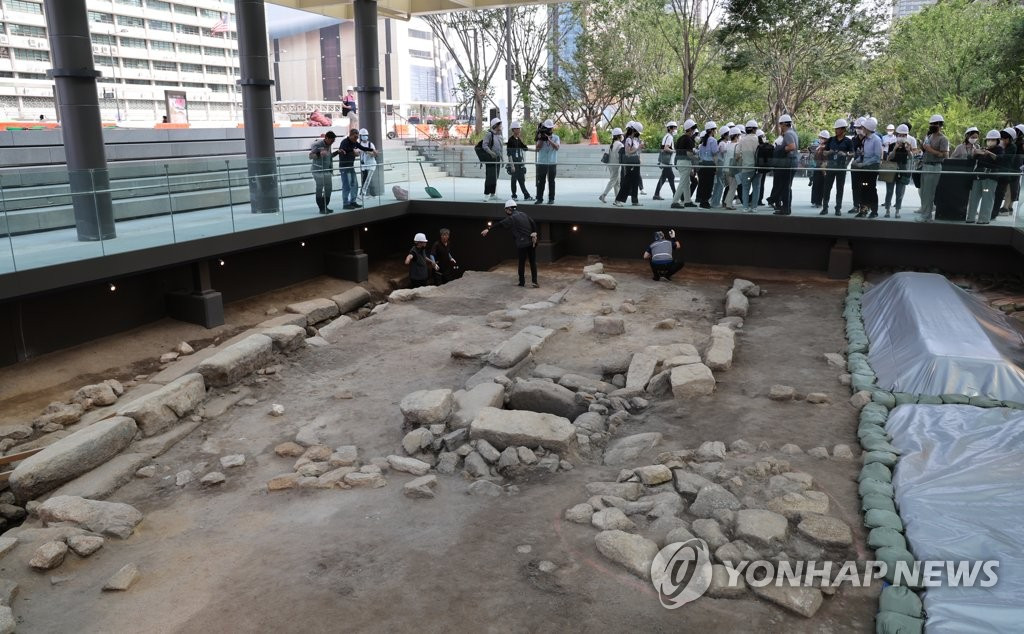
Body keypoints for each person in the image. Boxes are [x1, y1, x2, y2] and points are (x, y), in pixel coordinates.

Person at [481, 199, 539, 287]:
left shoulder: (512, 218)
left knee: (521, 263)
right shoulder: (523, 214)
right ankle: (535, 282)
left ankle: (522, 282)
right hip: (531, 242)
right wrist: (534, 233)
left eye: (505, 210)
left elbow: (500, 224)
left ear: (509, 209)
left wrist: (488, 229)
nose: (505, 212)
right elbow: (533, 223)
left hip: (522, 243)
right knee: (532, 262)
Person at [966, 130, 1003, 225]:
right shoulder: (983, 148)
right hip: (978, 176)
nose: (990, 141)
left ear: (997, 140)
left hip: (989, 178)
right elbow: (972, 159)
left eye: (993, 140)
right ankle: (970, 217)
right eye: (988, 139)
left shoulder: (999, 150)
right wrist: (975, 153)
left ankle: (984, 218)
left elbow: (1000, 159)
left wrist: (989, 153)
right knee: (974, 197)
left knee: (987, 197)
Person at [916, 114, 948, 222]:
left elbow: (944, 155)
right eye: (931, 124)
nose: (932, 125)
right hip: (925, 165)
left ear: (940, 125)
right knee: (924, 192)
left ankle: (927, 217)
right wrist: (923, 146)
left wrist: (930, 150)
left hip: (934, 166)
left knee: (929, 193)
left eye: (935, 124)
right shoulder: (929, 136)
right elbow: (925, 150)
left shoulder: (943, 139)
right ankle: (924, 214)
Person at [821, 119, 854, 216]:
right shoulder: (831, 140)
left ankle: (838, 208)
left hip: (841, 167)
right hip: (831, 167)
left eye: (838, 129)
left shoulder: (848, 141)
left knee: (840, 189)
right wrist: (829, 152)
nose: (836, 130)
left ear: (843, 129)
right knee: (827, 188)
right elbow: (824, 152)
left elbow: (852, 153)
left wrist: (845, 155)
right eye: (835, 129)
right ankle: (825, 208)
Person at [884, 124, 916, 218]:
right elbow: (889, 158)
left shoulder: (908, 145)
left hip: (902, 168)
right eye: (900, 135)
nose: (902, 137)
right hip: (892, 168)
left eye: (904, 135)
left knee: (899, 191)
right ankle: (887, 210)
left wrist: (908, 150)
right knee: (889, 191)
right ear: (896, 135)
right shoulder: (892, 144)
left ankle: (897, 210)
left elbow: (911, 157)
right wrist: (894, 149)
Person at [854, 117, 882, 218]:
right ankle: (863, 210)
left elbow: (877, 157)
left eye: (863, 127)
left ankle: (874, 211)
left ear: (868, 128)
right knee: (864, 187)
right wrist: (857, 160)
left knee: (871, 188)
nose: (862, 129)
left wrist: (864, 164)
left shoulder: (876, 140)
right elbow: (863, 154)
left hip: (872, 169)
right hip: (865, 169)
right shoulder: (865, 140)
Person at [336, 128, 369, 209]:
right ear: (350, 135)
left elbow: (362, 148)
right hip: (344, 167)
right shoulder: (344, 142)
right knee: (346, 185)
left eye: (357, 137)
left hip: (351, 166)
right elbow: (344, 151)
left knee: (354, 184)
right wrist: (353, 152)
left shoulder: (355, 142)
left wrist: (372, 150)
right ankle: (345, 203)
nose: (356, 139)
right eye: (355, 137)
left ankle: (353, 201)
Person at [614, 121, 644, 207]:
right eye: (638, 132)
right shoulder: (628, 139)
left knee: (635, 182)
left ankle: (635, 200)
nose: (639, 134)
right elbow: (628, 152)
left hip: (635, 162)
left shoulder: (635, 140)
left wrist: (639, 150)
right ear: (634, 131)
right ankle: (618, 200)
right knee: (627, 182)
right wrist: (638, 148)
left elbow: (636, 151)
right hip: (630, 163)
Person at [671, 119, 699, 208]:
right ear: (690, 129)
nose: (694, 131)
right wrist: (697, 158)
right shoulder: (688, 139)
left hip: (679, 162)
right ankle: (675, 201)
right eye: (693, 129)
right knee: (683, 182)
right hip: (685, 162)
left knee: (686, 182)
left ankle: (687, 201)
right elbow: (689, 153)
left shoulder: (680, 138)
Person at [774, 114, 799, 215]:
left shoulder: (788, 134)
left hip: (788, 163)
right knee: (787, 186)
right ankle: (786, 208)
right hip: (792, 162)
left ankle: (786, 209)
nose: (780, 126)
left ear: (784, 124)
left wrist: (780, 149)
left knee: (785, 187)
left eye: (780, 124)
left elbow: (792, 146)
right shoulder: (793, 133)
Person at [991, 127, 1018, 219]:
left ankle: (994, 212)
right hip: (997, 172)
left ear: (1010, 139)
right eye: (1002, 138)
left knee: (1000, 193)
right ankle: (991, 210)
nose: (1003, 140)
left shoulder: (1012, 147)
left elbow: (1005, 159)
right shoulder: (1000, 146)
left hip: (1005, 173)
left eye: (1005, 138)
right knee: (994, 193)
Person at [734, 120, 761, 212]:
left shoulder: (742, 140)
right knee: (756, 188)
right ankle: (754, 207)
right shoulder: (758, 139)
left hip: (746, 168)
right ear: (754, 129)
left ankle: (745, 207)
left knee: (745, 188)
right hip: (757, 169)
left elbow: (737, 154)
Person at [308, 131, 336, 214]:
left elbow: (329, 156)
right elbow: (310, 156)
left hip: (327, 170)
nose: (332, 142)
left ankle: (325, 206)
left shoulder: (329, 144)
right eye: (331, 140)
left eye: (333, 140)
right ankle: (321, 208)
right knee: (320, 188)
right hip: (318, 170)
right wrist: (319, 154)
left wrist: (338, 152)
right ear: (326, 138)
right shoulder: (317, 144)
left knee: (329, 188)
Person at [534, 119, 560, 204]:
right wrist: (542, 139)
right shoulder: (540, 137)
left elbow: (557, 147)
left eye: (550, 128)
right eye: (547, 128)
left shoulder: (556, 137)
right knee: (541, 181)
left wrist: (549, 140)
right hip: (542, 162)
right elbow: (537, 149)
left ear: (552, 128)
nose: (549, 130)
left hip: (552, 162)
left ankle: (551, 199)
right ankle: (539, 199)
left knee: (551, 181)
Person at [506, 121, 532, 201]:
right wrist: (512, 165)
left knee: (521, 180)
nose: (519, 130)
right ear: (513, 130)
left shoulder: (518, 139)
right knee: (514, 180)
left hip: (519, 163)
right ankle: (514, 195)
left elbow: (524, 147)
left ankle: (526, 196)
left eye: (519, 128)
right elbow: (509, 154)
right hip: (514, 164)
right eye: (517, 128)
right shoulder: (510, 140)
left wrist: (536, 150)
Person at [695, 121, 718, 208]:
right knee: (709, 184)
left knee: (703, 183)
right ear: (711, 130)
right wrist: (717, 167)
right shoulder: (713, 140)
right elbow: (715, 154)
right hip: (710, 165)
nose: (715, 131)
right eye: (715, 129)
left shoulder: (703, 142)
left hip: (702, 164)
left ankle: (702, 201)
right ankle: (705, 202)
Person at [653, 121, 678, 200]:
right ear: (670, 128)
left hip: (665, 161)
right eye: (674, 128)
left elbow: (663, 148)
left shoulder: (666, 136)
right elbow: (666, 148)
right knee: (671, 177)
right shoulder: (669, 137)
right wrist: (674, 151)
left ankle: (656, 194)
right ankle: (675, 194)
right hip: (667, 161)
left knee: (664, 178)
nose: (675, 129)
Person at [482, 118, 504, 201]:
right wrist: (491, 153)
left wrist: (502, 158)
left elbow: (500, 149)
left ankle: (492, 194)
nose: (500, 126)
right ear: (495, 126)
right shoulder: (489, 134)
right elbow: (484, 145)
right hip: (490, 158)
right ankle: (486, 194)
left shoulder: (499, 135)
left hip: (497, 159)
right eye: (499, 125)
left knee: (495, 177)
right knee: (489, 177)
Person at [599, 127, 624, 203]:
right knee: (613, 181)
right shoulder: (620, 144)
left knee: (617, 182)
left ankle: (617, 200)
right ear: (619, 136)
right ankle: (603, 195)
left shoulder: (612, 144)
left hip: (610, 165)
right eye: (621, 135)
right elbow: (620, 156)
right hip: (616, 165)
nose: (622, 136)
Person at [810, 130, 829, 208]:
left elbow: (825, 160)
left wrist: (824, 171)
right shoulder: (819, 146)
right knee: (816, 185)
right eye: (820, 137)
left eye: (822, 137)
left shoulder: (825, 147)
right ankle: (815, 201)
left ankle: (819, 202)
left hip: (822, 168)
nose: (820, 139)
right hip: (817, 168)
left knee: (820, 186)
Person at [357, 128, 378, 200]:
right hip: (364, 165)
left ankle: (362, 194)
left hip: (371, 164)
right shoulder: (359, 144)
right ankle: (372, 194)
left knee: (367, 179)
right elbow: (357, 153)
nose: (364, 136)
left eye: (365, 135)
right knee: (365, 179)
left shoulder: (370, 144)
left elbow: (375, 154)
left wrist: (367, 151)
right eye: (363, 135)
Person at [755, 129, 771, 207]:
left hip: (757, 167)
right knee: (760, 184)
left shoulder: (757, 145)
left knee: (757, 184)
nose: (764, 137)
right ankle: (758, 199)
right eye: (763, 136)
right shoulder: (763, 146)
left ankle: (756, 199)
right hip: (762, 168)